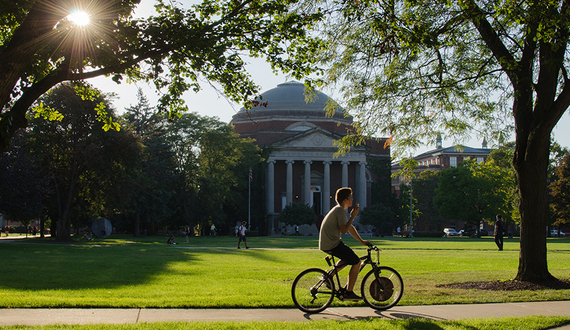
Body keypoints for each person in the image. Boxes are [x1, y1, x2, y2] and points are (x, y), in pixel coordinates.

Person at [319, 187, 369, 301]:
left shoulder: (339, 210)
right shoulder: (340, 210)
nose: (352, 199)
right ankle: (349, 292)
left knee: (348, 257)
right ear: (345, 200)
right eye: (351, 197)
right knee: (356, 262)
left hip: (329, 243)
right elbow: (344, 230)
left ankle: (328, 277)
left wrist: (361, 241)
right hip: (332, 244)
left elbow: (349, 227)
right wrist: (353, 216)